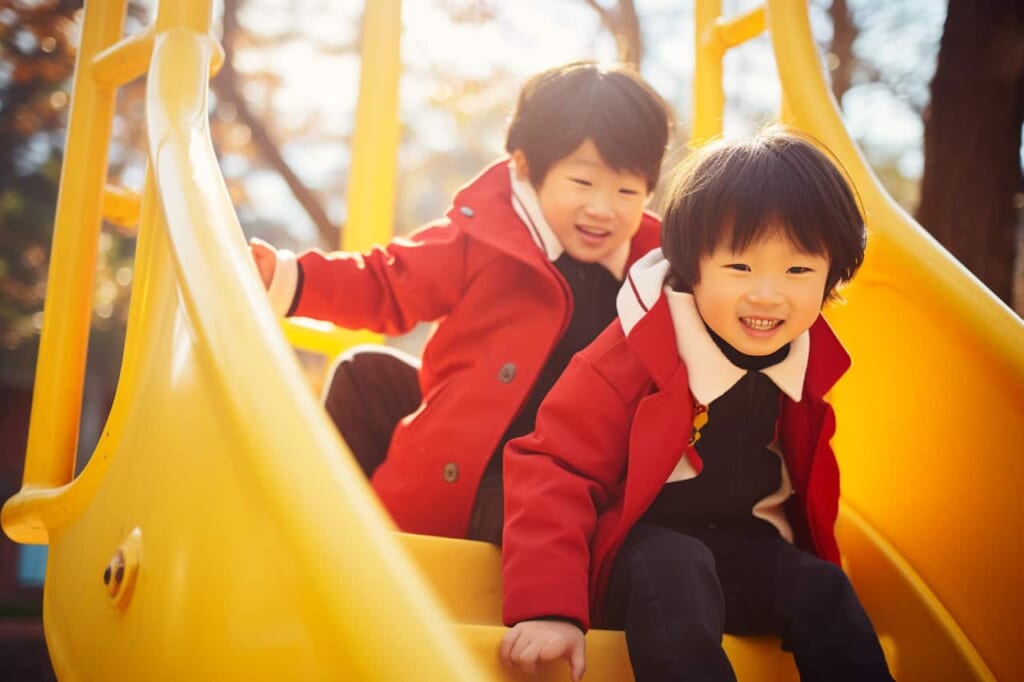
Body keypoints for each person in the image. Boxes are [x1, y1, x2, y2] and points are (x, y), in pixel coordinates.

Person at [499, 128, 894, 682]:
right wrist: (549, 607)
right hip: (636, 553)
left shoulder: (804, 365)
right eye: (740, 267)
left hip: (736, 551)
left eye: (798, 270)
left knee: (823, 589)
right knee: (677, 567)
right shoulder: (628, 357)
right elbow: (554, 468)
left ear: (831, 276)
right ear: (694, 266)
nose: (767, 294)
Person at [250, 61, 672, 545]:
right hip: (469, 455)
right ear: (525, 168)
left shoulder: (658, 272)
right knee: (365, 374)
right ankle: (314, 532)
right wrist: (289, 276)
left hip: (548, 484)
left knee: (539, 506)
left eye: (627, 190)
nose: (602, 208)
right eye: (582, 183)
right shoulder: (487, 237)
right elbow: (388, 282)